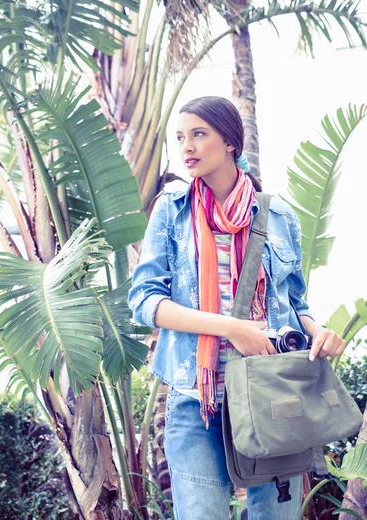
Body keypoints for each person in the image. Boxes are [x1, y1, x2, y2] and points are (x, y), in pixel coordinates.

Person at [128, 96, 345, 520]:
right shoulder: (171, 213)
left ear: (229, 141)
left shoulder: (278, 216)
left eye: (198, 134)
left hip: (272, 398)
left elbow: (295, 302)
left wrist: (316, 330)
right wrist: (229, 327)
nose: (186, 146)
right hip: (198, 399)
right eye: (180, 137)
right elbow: (145, 302)